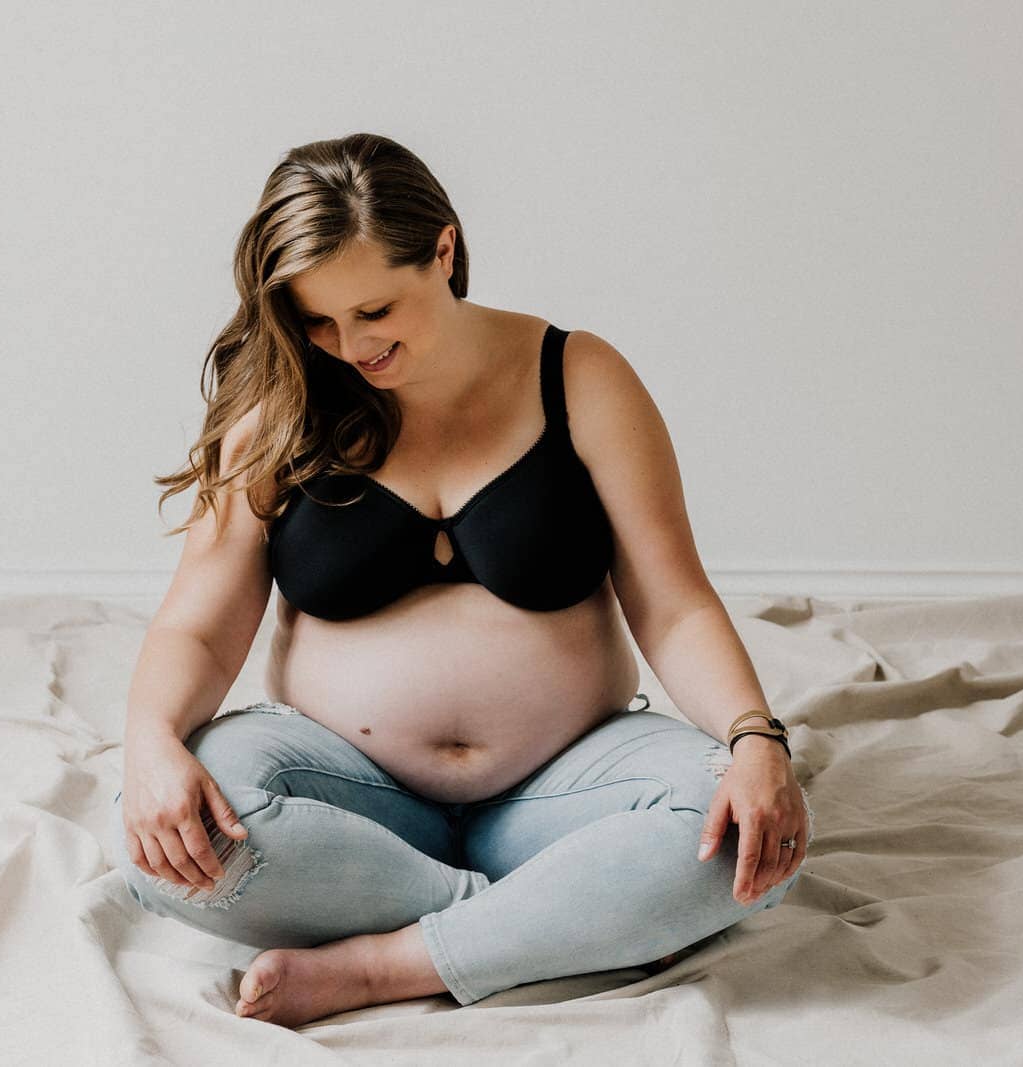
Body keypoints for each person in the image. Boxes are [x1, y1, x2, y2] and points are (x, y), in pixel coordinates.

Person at [105, 132, 814, 1028]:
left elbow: (673, 604)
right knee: (157, 841)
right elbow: (196, 627)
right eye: (317, 321)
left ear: (443, 249)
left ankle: (384, 965)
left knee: (742, 834)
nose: (349, 346)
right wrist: (149, 742)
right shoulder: (279, 407)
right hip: (347, 792)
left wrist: (756, 740)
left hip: (566, 783)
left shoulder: (579, 376)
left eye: (374, 310)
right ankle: (568, 917)